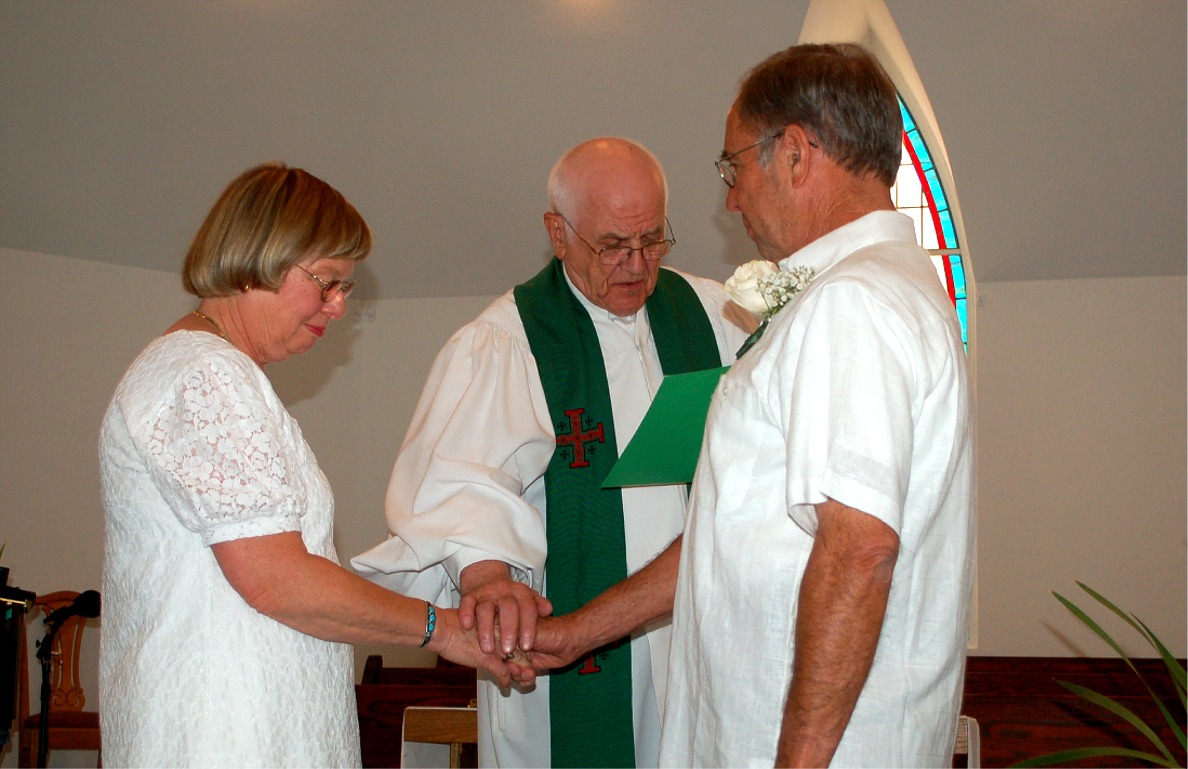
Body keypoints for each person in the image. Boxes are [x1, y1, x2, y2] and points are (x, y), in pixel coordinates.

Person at [99, 162, 524, 768]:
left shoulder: (211, 369)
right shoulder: (205, 373)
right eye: (327, 282)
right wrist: (445, 629)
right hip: (225, 734)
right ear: (260, 257)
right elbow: (277, 580)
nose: (339, 306)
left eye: (345, 287)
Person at [353, 137, 748, 768]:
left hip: (694, 631)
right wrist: (487, 578)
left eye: (652, 240)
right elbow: (460, 483)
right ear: (557, 233)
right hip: (566, 647)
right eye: (613, 245)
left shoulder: (712, 312)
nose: (637, 264)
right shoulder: (507, 340)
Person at [658, 44, 975, 768]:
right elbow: (741, 533)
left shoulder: (853, 301)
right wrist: (579, 631)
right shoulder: (890, 285)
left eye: (734, 167)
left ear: (795, 154)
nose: (732, 198)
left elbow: (859, 549)